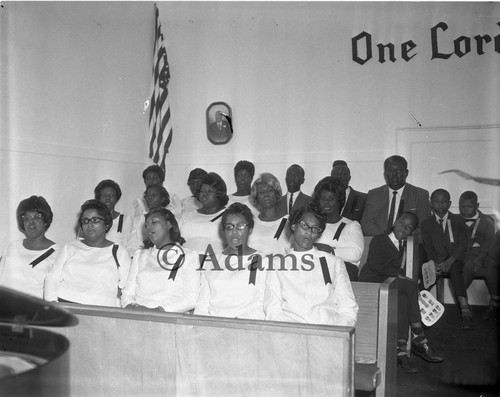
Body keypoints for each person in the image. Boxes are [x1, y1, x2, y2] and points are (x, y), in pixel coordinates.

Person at [359, 211, 444, 373]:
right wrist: (397, 274)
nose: (403, 229)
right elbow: (375, 265)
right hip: (372, 279)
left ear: (411, 232)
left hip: (389, 281)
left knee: (403, 298)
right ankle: (419, 336)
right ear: (394, 222)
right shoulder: (380, 239)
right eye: (401, 223)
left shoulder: (405, 245)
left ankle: (401, 351)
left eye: (408, 228)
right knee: (411, 286)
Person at [264, 204, 358, 326]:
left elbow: (348, 310)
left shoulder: (333, 263)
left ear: (319, 234)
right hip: (291, 334)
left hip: (328, 334)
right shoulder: (277, 265)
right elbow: (272, 310)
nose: (308, 232)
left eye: (315, 229)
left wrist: (332, 333)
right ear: (293, 226)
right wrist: (302, 332)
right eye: (304, 225)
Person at [44, 200, 131, 306]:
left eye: (95, 220)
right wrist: (52, 304)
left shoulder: (119, 251)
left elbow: (127, 286)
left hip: (102, 310)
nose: (89, 224)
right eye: (85, 221)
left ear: (107, 224)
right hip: (66, 305)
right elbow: (53, 277)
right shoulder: (71, 247)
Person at [194, 203, 266, 319]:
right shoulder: (211, 261)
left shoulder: (263, 261)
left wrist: (235, 324)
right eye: (229, 227)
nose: (234, 232)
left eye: (240, 226)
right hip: (212, 326)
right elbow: (202, 304)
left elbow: (263, 305)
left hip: (247, 326)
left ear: (250, 230)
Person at [121, 209, 200, 312]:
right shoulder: (140, 256)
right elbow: (127, 294)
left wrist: (159, 311)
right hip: (137, 315)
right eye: (146, 225)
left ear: (168, 224)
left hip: (168, 318)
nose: (149, 227)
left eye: (154, 222)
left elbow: (191, 299)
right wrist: (135, 309)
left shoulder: (188, 256)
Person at [421, 189, 473, 329]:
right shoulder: (426, 224)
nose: (440, 205)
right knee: (423, 284)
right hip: (436, 262)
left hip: (455, 260)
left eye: (444, 201)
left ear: (449, 203)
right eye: (437, 201)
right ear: (431, 204)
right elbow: (428, 247)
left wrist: (450, 261)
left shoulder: (459, 220)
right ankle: (418, 314)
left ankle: (465, 310)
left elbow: (463, 244)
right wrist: (434, 264)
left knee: (456, 271)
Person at [0, 196, 58, 299]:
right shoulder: (12, 247)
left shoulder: (57, 253)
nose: (31, 221)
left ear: (45, 220)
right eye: (26, 218)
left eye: (37, 217)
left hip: (34, 311)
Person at [361, 155, 431, 236]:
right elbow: (366, 223)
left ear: (406, 173)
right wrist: (385, 240)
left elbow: (423, 226)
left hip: (408, 243)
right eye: (390, 170)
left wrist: (400, 238)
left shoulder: (420, 194)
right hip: (379, 242)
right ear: (385, 174)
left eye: (399, 170)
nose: (394, 173)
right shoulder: (374, 194)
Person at [312, 176, 364, 281]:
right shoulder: (311, 223)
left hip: (343, 273)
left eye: (331, 199)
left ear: (339, 201)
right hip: (313, 269)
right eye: (323, 198)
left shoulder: (351, 225)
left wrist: (329, 250)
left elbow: (356, 253)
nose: (326, 202)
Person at [458, 190, 499, 319]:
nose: (465, 210)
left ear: (477, 206)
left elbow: (489, 241)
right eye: (462, 207)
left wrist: (481, 256)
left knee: (492, 267)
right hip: (467, 254)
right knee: (468, 267)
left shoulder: (487, 220)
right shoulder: (456, 221)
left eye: (469, 207)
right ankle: (463, 303)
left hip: (486, 253)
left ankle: (494, 301)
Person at [180, 172, 228, 255]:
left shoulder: (229, 216)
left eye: (209, 191)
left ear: (219, 194)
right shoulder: (187, 215)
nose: (204, 194)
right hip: (186, 263)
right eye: (202, 191)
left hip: (216, 264)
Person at [248, 173, 290, 255]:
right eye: (261, 192)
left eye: (270, 191)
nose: (266, 195)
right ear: (256, 197)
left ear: (277, 193)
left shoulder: (289, 221)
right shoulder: (251, 221)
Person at [129, 184, 171, 255]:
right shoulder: (138, 220)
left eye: (154, 195)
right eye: (147, 195)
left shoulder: (168, 218)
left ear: (163, 199)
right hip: (141, 255)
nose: (149, 198)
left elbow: (174, 239)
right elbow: (132, 243)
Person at [94, 179, 132, 250]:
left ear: (117, 198)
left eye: (111, 195)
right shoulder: (91, 220)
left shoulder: (126, 220)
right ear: (99, 198)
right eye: (104, 195)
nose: (108, 198)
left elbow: (132, 245)